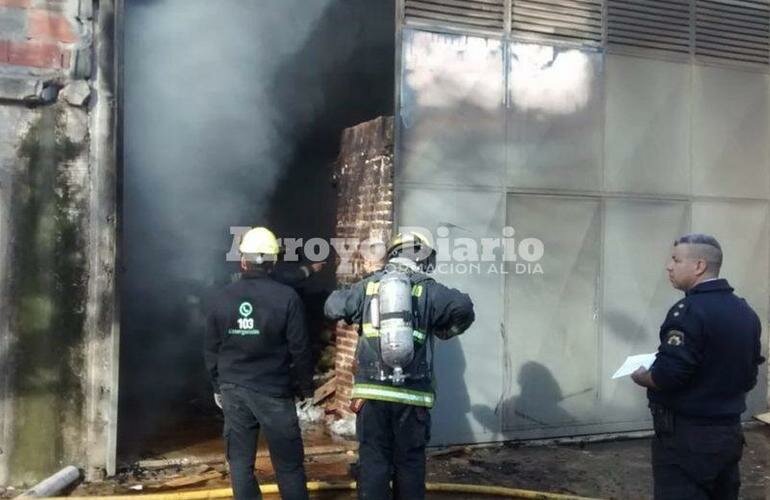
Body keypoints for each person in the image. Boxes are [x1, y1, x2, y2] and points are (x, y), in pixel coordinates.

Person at [324, 230, 475, 500]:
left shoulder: (369, 286)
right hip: (412, 395)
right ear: (423, 256)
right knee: (410, 463)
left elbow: (333, 306)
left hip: (372, 395)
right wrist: (445, 330)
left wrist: (360, 304)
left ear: (393, 253)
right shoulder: (429, 289)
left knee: (373, 461)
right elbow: (464, 306)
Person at [631, 233, 764, 500]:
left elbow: (669, 376)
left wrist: (643, 377)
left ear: (699, 266)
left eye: (676, 260)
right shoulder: (745, 312)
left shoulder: (689, 312)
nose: (669, 266)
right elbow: (749, 374)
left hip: (687, 439)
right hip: (728, 435)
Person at [205, 226, 313, 500]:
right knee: (288, 465)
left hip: (233, 389)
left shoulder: (222, 297)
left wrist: (218, 385)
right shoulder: (288, 297)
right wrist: (305, 387)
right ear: (274, 262)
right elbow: (300, 348)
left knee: (240, 463)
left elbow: (211, 347)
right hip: (274, 391)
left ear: (243, 261)